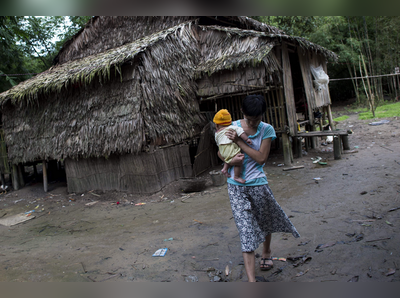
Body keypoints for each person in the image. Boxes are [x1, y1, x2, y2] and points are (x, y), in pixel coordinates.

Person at [218, 94, 300, 282]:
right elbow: (220, 152)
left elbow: (261, 158)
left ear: (263, 115)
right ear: (242, 114)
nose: (253, 123)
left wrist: (238, 142)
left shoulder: (267, 130)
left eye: (257, 119)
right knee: (246, 230)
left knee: (264, 221)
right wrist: (229, 159)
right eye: (249, 119)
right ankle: (252, 282)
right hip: (236, 186)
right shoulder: (232, 127)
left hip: (258, 184)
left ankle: (266, 251)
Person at [213, 109, 252, 183]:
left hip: (222, 150)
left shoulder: (217, 133)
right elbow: (241, 132)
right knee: (239, 160)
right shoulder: (232, 128)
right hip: (230, 147)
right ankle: (236, 176)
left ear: (216, 125)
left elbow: (217, 142)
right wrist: (247, 139)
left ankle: (225, 169)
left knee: (228, 157)